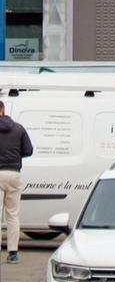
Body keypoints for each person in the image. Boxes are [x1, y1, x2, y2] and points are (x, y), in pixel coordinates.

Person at [0, 100, 33, 264]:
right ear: (3, 110)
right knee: (12, 215)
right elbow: (28, 150)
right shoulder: (19, 128)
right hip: (14, 173)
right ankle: (13, 253)